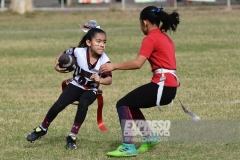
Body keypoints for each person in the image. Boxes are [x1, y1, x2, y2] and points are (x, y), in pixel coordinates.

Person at [99, 6, 180, 157]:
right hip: (170, 87)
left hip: (162, 86)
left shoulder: (150, 38)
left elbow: (138, 63)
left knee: (122, 104)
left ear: (144, 23)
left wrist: (114, 66)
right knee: (131, 104)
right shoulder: (164, 36)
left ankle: (128, 146)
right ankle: (150, 137)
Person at [26, 21, 112, 150]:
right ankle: (42, 128)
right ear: (88, 43)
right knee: (58, 105)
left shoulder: (104, 60)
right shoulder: (78, 52)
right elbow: (63, 53)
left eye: (104, 42)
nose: (102, 45)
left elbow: (109, 79)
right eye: (98, 41)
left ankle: (72, 136)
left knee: (84, 103)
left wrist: (100, 80)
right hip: (75, 85)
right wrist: (56, 65)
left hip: (91, 90)